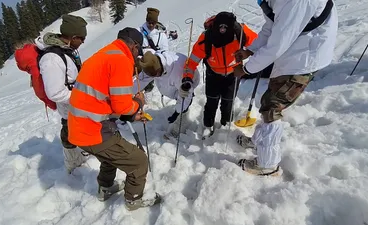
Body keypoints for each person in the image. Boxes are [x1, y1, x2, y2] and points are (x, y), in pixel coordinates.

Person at [234, 0, 337, 176]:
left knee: (273, 106)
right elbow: (272, 25)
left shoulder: (295, 1)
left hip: (303, 58)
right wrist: (251, 49)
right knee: (270, 101)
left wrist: (246, 69)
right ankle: (260, 141)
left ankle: (267, 164)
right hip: (293, 53)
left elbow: (278, 43)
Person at [67, 27, 161, 211]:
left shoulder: (103, 54)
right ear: (134, 46)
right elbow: (122, 106)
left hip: (79, 126)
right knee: (139, 161)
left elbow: (104, 98)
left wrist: (132, 114)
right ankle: (134, 200)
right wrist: (137, 103)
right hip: (93, 130)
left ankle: (106, 188)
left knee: (110, 155)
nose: (137, 56)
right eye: (138, 51)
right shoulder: (121, 60)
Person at [180, 11, 258, 139]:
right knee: (212, 101)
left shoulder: (240, 32)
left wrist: (252, 55)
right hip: (213, 74)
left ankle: (225, 125)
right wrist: (187, 78)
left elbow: (258, 44)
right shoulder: (205, 39)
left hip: (233, 73)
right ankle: (207, 126)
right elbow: (192, 61)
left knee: (228, 102)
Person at [35, 14, 88, 173]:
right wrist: (80, 97)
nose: (83, 42)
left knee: (77, 128)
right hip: (70, 105)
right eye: (81, 38)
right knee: (69, 130)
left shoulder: (67, 50)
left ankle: (81, 152)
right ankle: (73, 163)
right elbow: (55, 92)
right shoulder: (52, 58)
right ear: (72, 37)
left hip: (77, 103)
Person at [135, 50, 200, 138]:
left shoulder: (178, 73)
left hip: (188, 82)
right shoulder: (151, 65)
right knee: (179, 97)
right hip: (172, 85)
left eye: (154, 74)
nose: (153, 77)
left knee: (183, 102)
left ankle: (177, 128)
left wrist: (177, 113)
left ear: (159, 68)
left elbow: (186, 96)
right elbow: (140, 81)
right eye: (151, 75)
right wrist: (124, 94)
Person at [139, 7, 170, 93]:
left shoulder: (161, 35)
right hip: (143, 64)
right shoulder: (139, 33)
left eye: (153, 23)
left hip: (156, 65)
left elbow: (165, 52)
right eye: (149, 22)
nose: (151, 25)